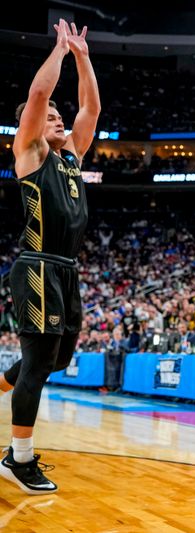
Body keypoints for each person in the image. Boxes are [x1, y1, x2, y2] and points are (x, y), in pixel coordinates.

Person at [0, 19, 100, 495]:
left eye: (64, 118)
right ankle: (18, 459)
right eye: (53, 118)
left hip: (67, 270)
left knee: (56, 360)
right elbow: (39, 100)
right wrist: (58, 52)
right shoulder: (32, 150)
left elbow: (92, 108)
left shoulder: (72, 156)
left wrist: (82, 56)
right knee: (39, 363)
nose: (61, 120)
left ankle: (3, 387)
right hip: (38, 265)